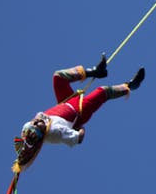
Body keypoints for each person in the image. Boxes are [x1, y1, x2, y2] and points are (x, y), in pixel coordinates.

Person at [12, 54, 145, 173]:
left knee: (58, 77)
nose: (38, 122)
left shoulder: (27, 127)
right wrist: (79, 129)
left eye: (35, 123)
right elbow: (78, 139)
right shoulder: (55, 133)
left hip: (66, 101)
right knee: (102, 92)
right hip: (79, 111)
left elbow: (37, 117)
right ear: (42, 135)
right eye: (39, 125)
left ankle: (95, 72)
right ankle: (129, 86)